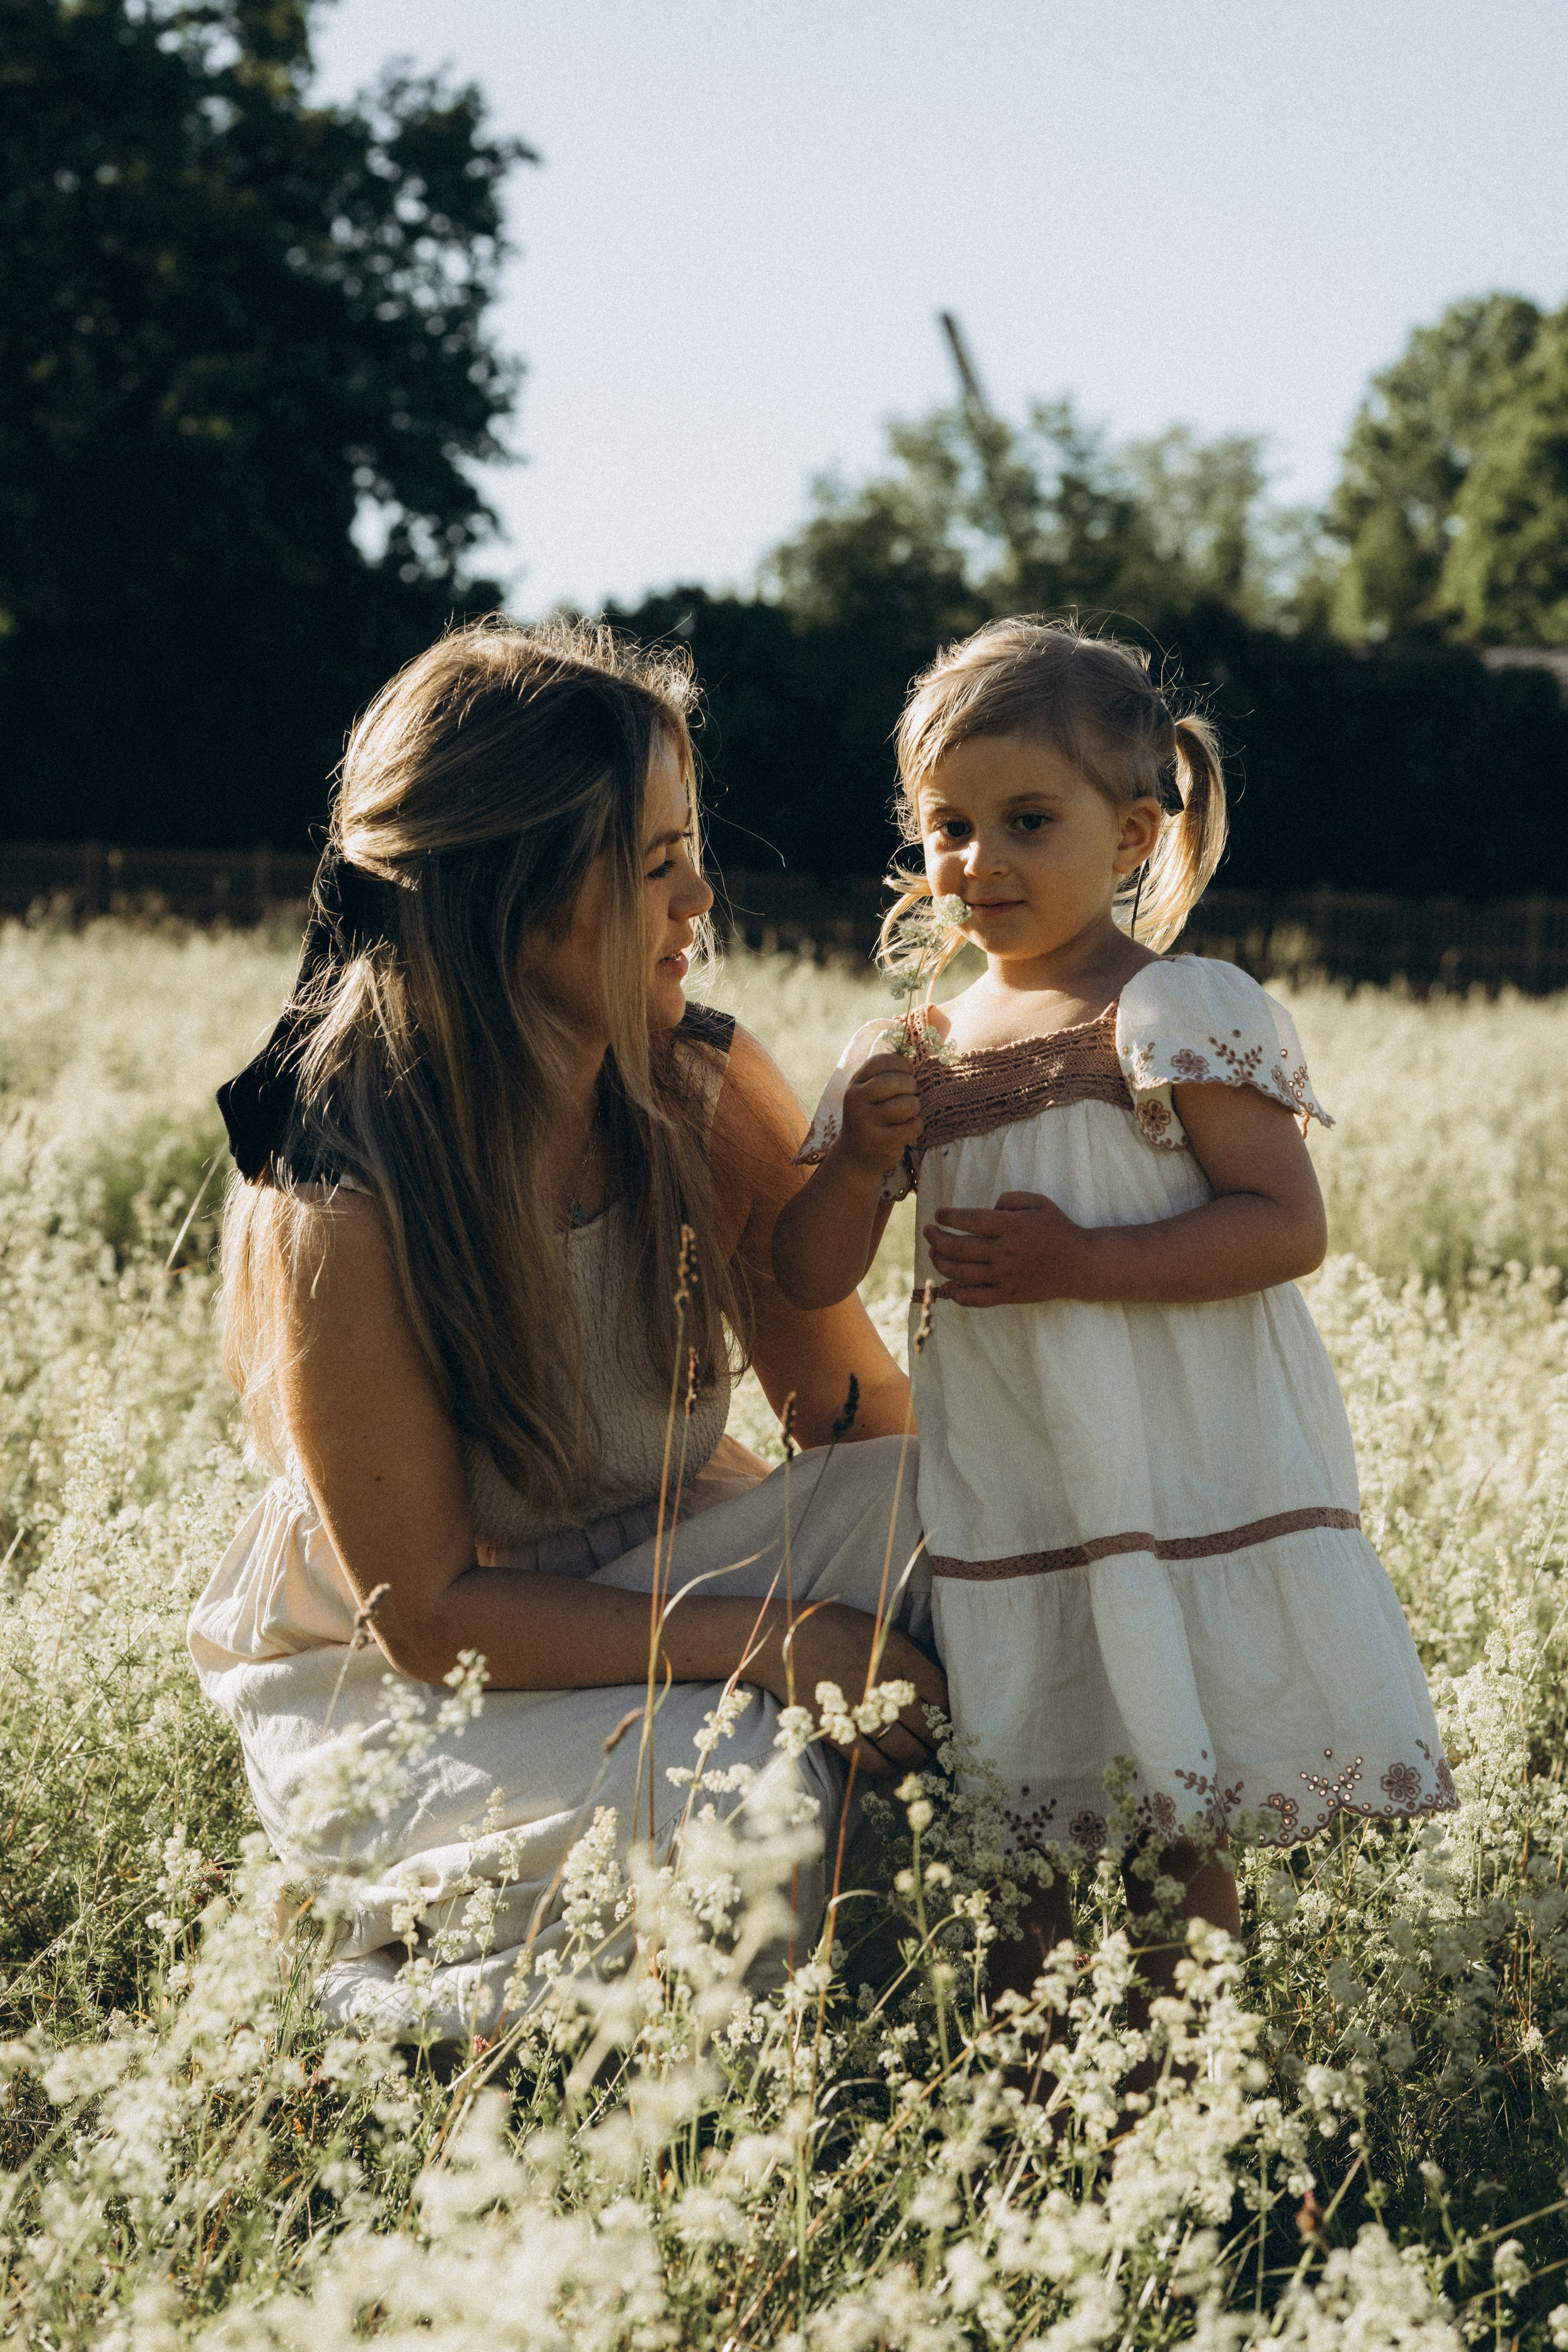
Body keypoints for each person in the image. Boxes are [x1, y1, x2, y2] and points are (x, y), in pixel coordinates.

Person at [189, 617, 944, 2041]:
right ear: (513, 901)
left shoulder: (700, 1095)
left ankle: (1044, 1907)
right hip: (420, 1684)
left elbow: (864, 1432)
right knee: (759, 1799)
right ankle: (390, 2000)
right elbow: (433, 1617)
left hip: (657, 1573)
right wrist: (784, 1642)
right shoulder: (347, 1195)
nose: (701, 898)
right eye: (657, 867)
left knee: (954, 1512)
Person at [773, 616, 1455, 2007]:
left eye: (1027, 819)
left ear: (1132, 835)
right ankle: (1041, 2090)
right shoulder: (908, 1051)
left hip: (1171, 1479)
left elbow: (1284, 1226)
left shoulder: (1172, 1012)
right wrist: (854, 1160)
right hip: (1014, 1502)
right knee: (1021, 1815)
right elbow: (803, 1276)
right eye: (946, 826)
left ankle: (1176, 2077)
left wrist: (1077, 1257)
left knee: (1169, 1815)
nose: (979, 861)